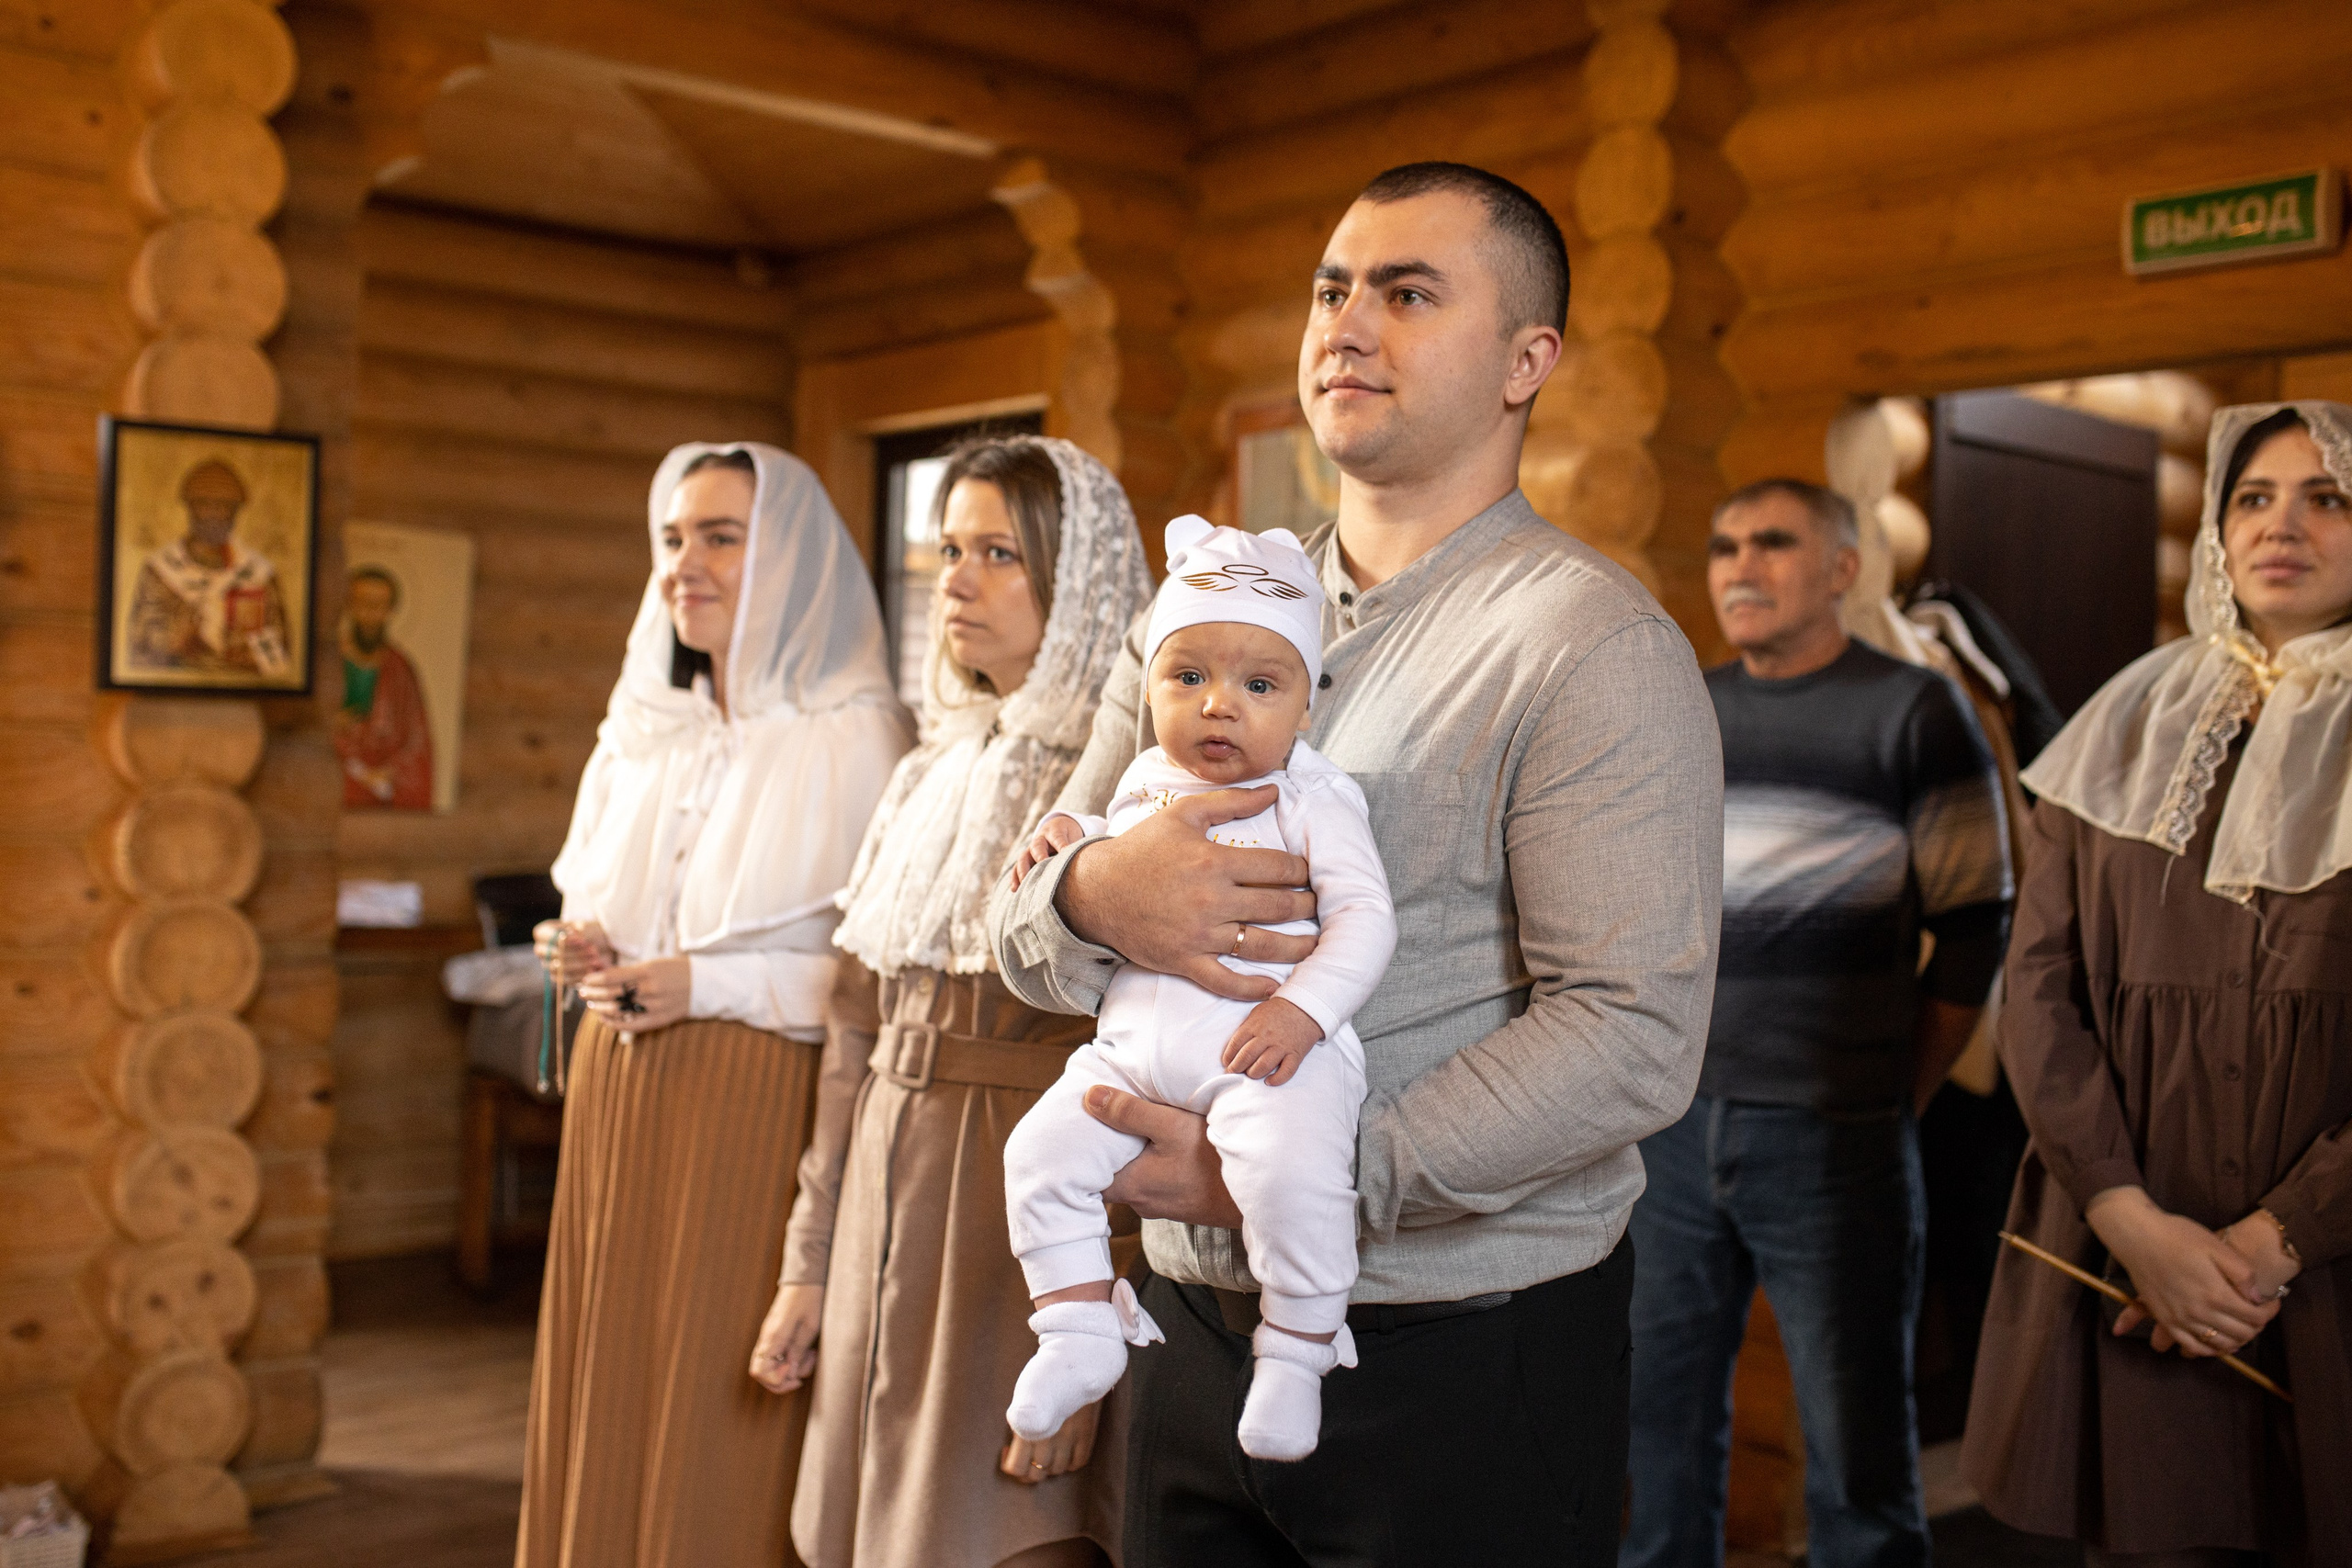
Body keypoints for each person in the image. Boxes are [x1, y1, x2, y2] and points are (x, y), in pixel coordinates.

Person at [990, 161, 1722, 1567]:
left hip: (1456, 1344)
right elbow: (1026, 928)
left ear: (1526, 361)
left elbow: (1631, 1035)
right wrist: (1090, 892)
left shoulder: (1589, 644)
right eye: (1332, 289)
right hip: (1190, 1319)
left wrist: (1306, 1175)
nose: (1347, 323)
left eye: (1408, 293)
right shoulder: (1192, 621)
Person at [1963, 400, 2352, 1568]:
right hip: (2130, 1255)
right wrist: (2134, 1225)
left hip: (2331, 1270)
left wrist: (2277, 1243)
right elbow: (2038, 993)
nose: (2280, 525)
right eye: (2252, 497)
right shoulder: (2126, 719)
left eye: (2327, 497)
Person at [753, 436, 1153, 1568]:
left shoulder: (1121, 787)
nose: (957, 584)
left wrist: (1094, 1337)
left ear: (1078, 580)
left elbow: (1146, 1073)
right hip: (884, 1194)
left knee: (996, 1532)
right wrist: (808, 1261)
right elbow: (853, 1033)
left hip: (1013, 1215)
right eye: (949, 552)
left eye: (999, 554)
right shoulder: (927, 770)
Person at [519, 444, 909, 1568]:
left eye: (720, 538)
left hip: (755, 1106)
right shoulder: (653, 734)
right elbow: (633, 915)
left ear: (790, 559)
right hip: (618, 1095)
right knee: (609, 1385)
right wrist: (587, 949)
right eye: (673, 538)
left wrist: (706, 981)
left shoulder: (858, 738)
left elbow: (873, 994)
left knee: (712, 1414)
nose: (685, 564)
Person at [1622, 479, 2014, 1568]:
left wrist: (1894, 1093)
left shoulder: (1914, 711)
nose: (1740, 566)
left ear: (1843, 569)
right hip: (1670, 1135)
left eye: (1772, 544)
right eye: (1723, 546)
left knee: (1855, 1453)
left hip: (1834, 1138)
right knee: (1656, 1433)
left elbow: (1975, 929)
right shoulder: (1683, 707)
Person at [1003, 517, 1396, 1464]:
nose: (1218, 705)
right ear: (1150, 690)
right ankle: (1076, 1325)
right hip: (1129, 1057)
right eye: (1187, 677)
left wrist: (1301, 1011)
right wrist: (1068, 840)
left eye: (1259, 686)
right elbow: (1102, 857)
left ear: (1305, 704)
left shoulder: (1315, 798)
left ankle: (1296, 1349)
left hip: (1267, 1054)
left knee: (1292, 1175)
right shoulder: (1144, 779)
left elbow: (1367, 920)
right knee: (1038, 1155)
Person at [126, 457, 292, 679]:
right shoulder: (161, 571)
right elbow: (139, 645)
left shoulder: (258, 573)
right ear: (190, 507)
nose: (214, 514)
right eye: (204, 504)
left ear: (236, 512)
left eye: (224, 506)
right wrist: (174, 641)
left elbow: (280, 653)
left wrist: (251, 653)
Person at [335, 566, 435, 809]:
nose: (370, 614)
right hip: (337, 772)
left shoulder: (400, 670)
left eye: (378, 605)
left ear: (391, 611)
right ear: (349, 606)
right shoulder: (330, 662)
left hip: (383, 782)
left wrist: (390, 773)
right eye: (362, 603)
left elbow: (417, 741)